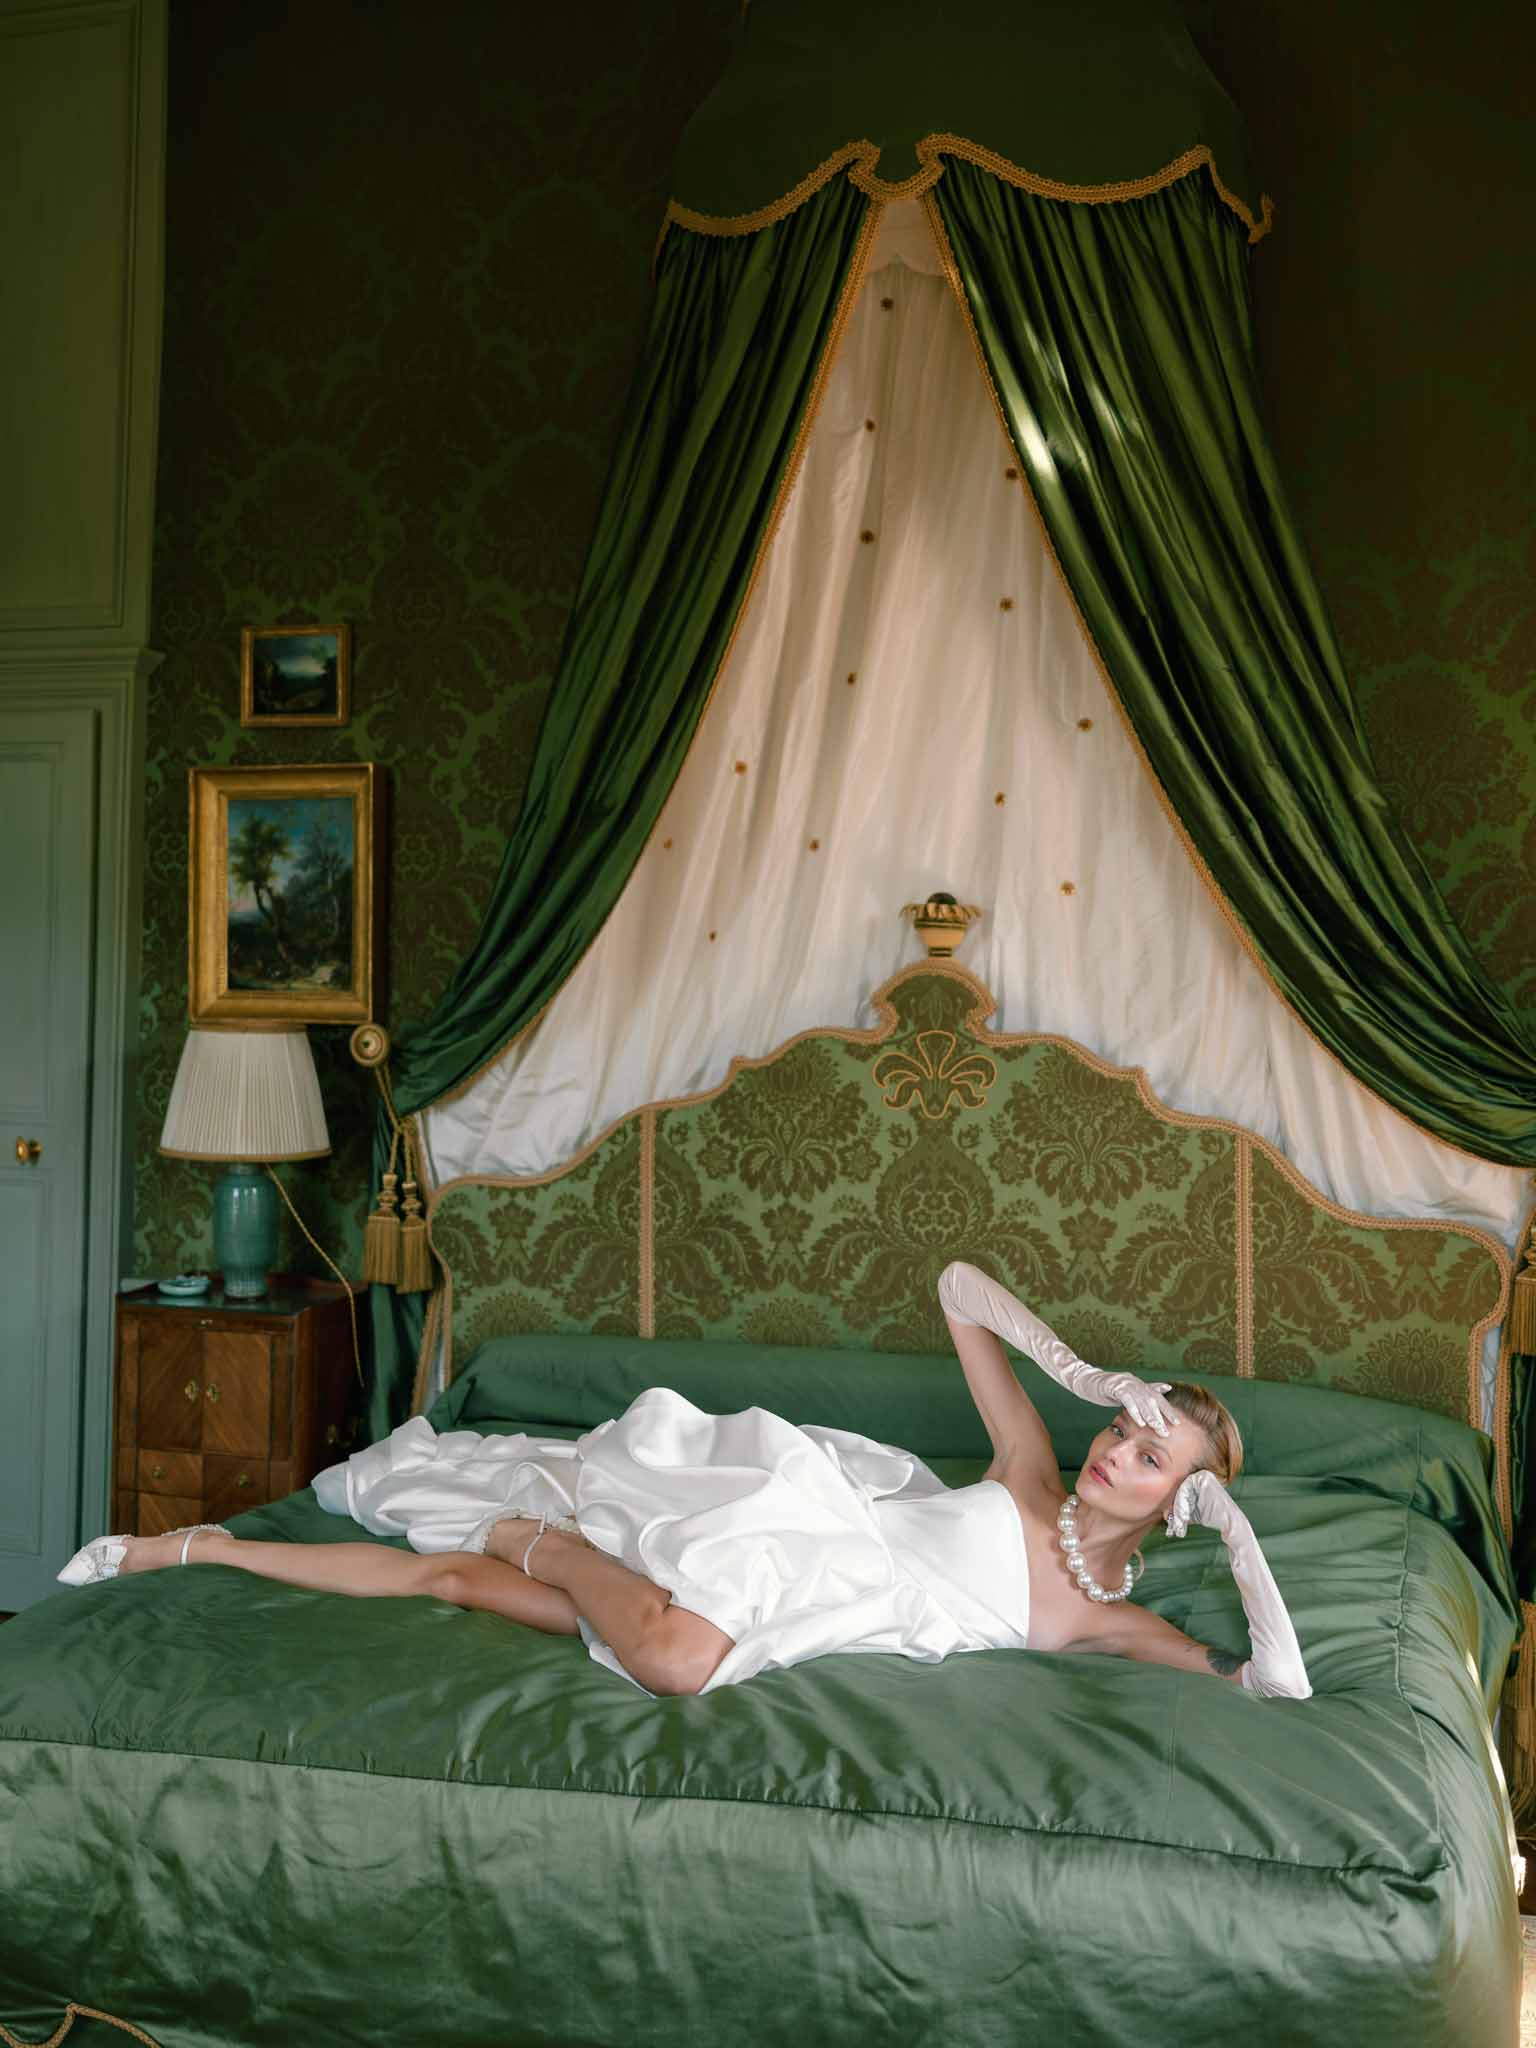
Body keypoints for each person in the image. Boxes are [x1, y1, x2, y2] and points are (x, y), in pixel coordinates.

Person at [59, 1263, 1311, 1702]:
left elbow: (1273, 1678)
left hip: (819, 1611)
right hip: (783, 1526)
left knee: (453, 1572)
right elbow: (959, 1286)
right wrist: (1081, 1368)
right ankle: (184, 1548)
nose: (1116, 1449)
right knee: (665, 1657)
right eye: (1125, 1425)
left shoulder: (1113, 1615)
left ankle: (506, 1538)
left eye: (1152, 1456)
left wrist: (1236, 1518)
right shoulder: (1030, 1464)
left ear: (1177, 1500)